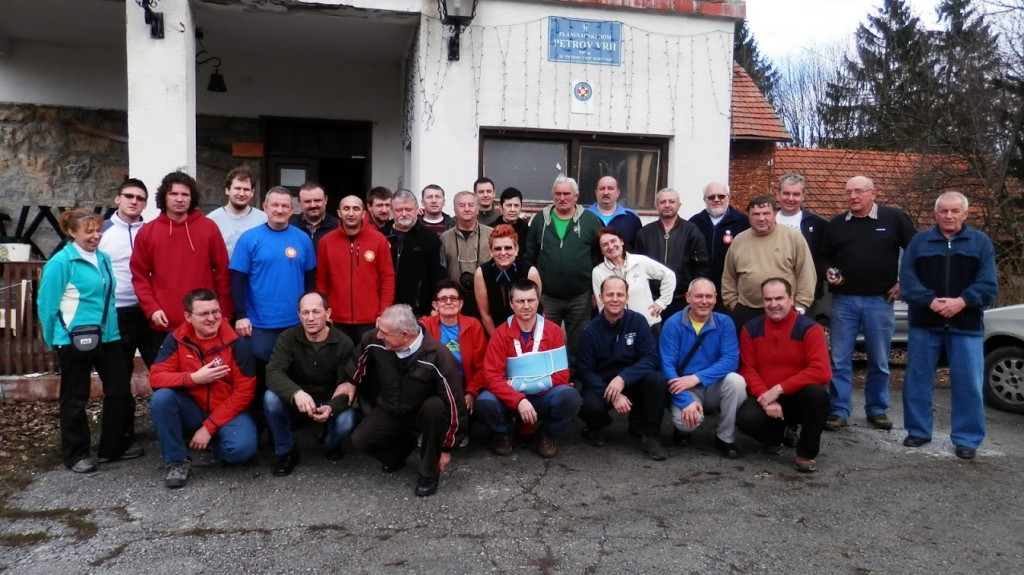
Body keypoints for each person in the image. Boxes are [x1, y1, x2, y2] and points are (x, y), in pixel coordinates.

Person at [39, 209, 139, 474]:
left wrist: (113, 330)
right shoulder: (61, 263)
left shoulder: (103, 258)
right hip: (73, 338)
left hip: (108, 336)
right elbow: (46, 305)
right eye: (89, 231)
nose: (96, 236)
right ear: (72, 232)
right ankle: (76, 454)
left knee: (119, 391)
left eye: (98, 230)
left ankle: (112, 448)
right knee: (75, 397)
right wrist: (54, 339)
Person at [899, 192, 997, 460]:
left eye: (955, 211)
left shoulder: (980, 242)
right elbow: (907, 281)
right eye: (943, 211)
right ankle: (918, 431)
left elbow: (988, 285)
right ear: (935, 214)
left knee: (968, 384)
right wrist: (929, 301)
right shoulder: (920, 242)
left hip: (966, 325)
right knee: (917, 381)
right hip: (925, 323)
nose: (949, 216)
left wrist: (962, 301)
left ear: (966, 214)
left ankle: (967, 439)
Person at [336, 304, 468, 497]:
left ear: (405, 335)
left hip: (425, 412)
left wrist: (447, 447)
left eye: (384, 333)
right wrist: (351, 382)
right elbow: (359, 361)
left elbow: (455, 403)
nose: (379, 335)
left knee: (435, 407)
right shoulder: (373, 340)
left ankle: (429, 472)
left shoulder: (438, 356)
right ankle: (399, 451)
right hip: (391, 406)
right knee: (360, 440)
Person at [824, 175, 916, 432]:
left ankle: (877, 409)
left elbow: (916, 250)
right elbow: (822, 258)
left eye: (859, 191)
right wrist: (827, 270)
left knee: (879, 360)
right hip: (844, 301)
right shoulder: (836, 225)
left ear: (873, 194)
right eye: (848, 192)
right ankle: (839, 410)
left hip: (880, 300)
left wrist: (904, 282)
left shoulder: (894, 219)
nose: (853, 196)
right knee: (840, 360)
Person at [149, 289, 258, 489]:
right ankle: (177, 460)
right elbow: (155, 378)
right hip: (192, 408)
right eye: (204, 314)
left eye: (215, 312)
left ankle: (214, 443)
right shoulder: (176, 338)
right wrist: (193, 378)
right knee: (161, 399)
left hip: (226, 410)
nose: (212, 318)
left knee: (242, 451)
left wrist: (209, 428)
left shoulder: (236, 342)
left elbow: (245, 391)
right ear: (188, 317)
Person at [230, 186, 317, 433]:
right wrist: (240, 315)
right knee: (259, 377)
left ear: (292, 209)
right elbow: (237, 281)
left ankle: (291, 424)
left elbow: (310, 280)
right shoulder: (250, 239)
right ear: (265, 207)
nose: (279, 210)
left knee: (293, 373)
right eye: (274, 205)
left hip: (295, 323)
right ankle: (260, 427)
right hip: (259, 324)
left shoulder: (302, 239)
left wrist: (310, 313)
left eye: (285, 206)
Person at [736, 278, 831, 473]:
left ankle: (806, 454)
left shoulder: (810, 329)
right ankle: (775, 437)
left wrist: (779, 389)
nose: (773, 304)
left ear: (791, 299)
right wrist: (766, 398)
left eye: (779, 298)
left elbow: (821, 371)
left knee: (818, 396)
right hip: (765, 397)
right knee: (746, 419)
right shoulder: (751, 328)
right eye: (768, 299)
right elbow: (747, 369)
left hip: (798, 397)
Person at [478, 279, 582, 458]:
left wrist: (517, 385)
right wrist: (519, 400)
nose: (526, 306)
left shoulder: (554, 331)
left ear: (538, 301)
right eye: (520, 301)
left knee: (571, 397)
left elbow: (562, 375)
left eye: (531, 300)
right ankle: (503, 432)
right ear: (511, 304)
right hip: (511, 398)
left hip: (543, 396)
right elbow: (491, 377)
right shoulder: (500, 334)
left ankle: (547, 432)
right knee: (484, 401)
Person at [130, 171, 233, 351]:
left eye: (185, 194)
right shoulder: (147, 232)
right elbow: (140, 276)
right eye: (173, 194)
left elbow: (223, 273)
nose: (179, 199)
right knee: (166, 369)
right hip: (164, 322)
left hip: (204, 322)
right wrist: (151, 308)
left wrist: (224, 312)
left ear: (192, 198)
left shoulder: (208, 228)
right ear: (164, 196)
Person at [264, 292, 359, 475]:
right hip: (299, 399)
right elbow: (273, 371)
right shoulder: (288, 337)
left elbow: (347, 385)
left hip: (329, 399)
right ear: (299, 315)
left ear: (328, 313)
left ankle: (331, 444)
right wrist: (296, 393)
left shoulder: (344, 343)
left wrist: (331, 407)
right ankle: (286, 452)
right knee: (270, 398)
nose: (310, 318)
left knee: (347, 421)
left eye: (316, 312)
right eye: (305, 312)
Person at [577, 276, 668, 460]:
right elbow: (585, 371)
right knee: (587, 404)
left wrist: (623, 378)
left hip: (633, 382)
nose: (615, 299)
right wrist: (613, 394)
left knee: (657, 380)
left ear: (627, 297)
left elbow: (650, 358)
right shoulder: (589, 331)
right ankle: (598, 426)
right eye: (609, 294)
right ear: (601, 298)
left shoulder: (638, 322)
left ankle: (649, 435)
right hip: (603, 386)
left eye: (620, 294)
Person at [658, 277, 745, 459]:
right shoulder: (673, 324)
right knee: (686, 423)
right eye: (698, 296)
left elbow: (730, 360)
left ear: (715, 298)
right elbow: (667, 366)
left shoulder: (725, 322)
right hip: (685, 388)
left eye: (708, 296)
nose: (704, 301)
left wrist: (697, 377)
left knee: (736, 382)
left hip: (713, 385)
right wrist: (685, 401)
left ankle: (725, 437)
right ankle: (682, 429)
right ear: (688, 297)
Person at [524, 176, 602, 370]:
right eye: (558, 194)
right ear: (553, 195)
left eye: (567, 194)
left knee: (578, 342)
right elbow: (529, 255)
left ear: (576, 196)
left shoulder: (590, 220)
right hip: (547, 295)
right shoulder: (540, 220)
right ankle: (546, 376)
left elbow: (599, 258)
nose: (562, 198)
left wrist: (596, 291)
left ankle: (576, 379)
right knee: (543, 339)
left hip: (580, 296)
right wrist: (533, 289)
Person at [99, 179, 157, 441]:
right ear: (117, 199)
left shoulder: (152, 230)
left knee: (163, 369)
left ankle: (172, 426)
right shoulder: (102, 231)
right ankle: (121, 435)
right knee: (119, 378)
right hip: (117, 312)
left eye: (140, 198)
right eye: (129, 196)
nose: (134, 201)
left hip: (149, 311)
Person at [721, 195, 816, 331]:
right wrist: (733, 304)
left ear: (775, 214)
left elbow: (806, 274)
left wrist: (800, 306)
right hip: (747, 311)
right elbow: (728, 277)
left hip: (784, 311)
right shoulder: (739, 241)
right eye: (756, 214)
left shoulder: (793, 238)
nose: (761, 218)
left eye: (766, 213)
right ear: (748, 216)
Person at [316, 195, 395, 343]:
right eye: (346, 209)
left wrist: (384, 312)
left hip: (371, 319)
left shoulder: (379, 240)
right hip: (336, 318)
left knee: (369, 356)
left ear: (364, 213)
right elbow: (322, 281)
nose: (351, 213)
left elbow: (387, 279)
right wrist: (324, 311)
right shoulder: (326, 242)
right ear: (339, 213)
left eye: (356, 209)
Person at [634, 187, 709, 320]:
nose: (667, 205)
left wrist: (693, 294)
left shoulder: (692, 231)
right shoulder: (644, 233)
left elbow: (701, 266)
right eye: (663, 202)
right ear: (656, 205)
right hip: (651, 300)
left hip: (681, 300)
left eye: (671, 201)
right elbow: (636, 266)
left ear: (679, 205)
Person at [420, 280, 487, 416]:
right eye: (443, 299)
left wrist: (471, 393)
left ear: (461, 304)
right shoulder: (426, 325)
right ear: (435, 305)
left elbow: (482, 366)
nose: (449, 302)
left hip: (466, 386)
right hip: (436, 388)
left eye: (453, 298)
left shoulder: (474, 325)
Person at [592, 227, 676, 329]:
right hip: (618, 327)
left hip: (648, 324)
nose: (610, 246)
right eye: (605, 245)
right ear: (601, 251)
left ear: (621, 241)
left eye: (613, 241)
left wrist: (662, 303)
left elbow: (669, 275)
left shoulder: (640, 261)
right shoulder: (598, 271)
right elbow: (601, 304)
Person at [774, 174, 830, 315]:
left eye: (796, 194)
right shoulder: (766, 221)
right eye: (786, 193)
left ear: (803, 196)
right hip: (770, 297)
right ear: (778, 194)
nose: (790, 198)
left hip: (805, 299)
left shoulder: (819, 225)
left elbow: (823, 259)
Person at [474, 224, 543, 337]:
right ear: (491, 251)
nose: (503, 253)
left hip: (528, 332)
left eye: (508, 248)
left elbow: (534, 309)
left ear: (516, 249)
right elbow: (485, 314)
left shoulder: (530, 272)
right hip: (494, 332)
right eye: (497, 249)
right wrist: (498, 340)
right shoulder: (481, 273)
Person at [387, 189, 446, 317]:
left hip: (419, 310)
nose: (404, 214)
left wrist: (435, 305)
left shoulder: (430, 238)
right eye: (399, 210)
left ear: (417, 209)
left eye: (408, 209)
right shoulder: (382, 235)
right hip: (386, 309)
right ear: (392, 210)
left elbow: (439, 275)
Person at [689, 181, 749, 304]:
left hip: (733, 289)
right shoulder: (694, 223)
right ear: (704, 200)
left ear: (728, 197)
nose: (716, 200)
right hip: (702, 290)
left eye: (721, 196)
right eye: (711, 197)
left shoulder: (743, 222)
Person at [440, 190, 493, 319]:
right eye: (462, 205)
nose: (467, 209)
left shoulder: (491, 234)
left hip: (487, 297)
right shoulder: (444, 238)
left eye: (471, 205)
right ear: (455, 210)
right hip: (454, 300)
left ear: (477, 209)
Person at [206, 166, 267, 258]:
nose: (242, 193)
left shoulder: (263, 219)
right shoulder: (211, 220)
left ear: (252, 192)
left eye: (246, 189)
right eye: (237, 188)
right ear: (227, 190)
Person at [586, 176, 642, 249]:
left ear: (618, 193)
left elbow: (639, 248)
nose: (606, 192)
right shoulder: (584, 216)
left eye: (610, 188)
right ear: (596, 193)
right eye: (602, 189)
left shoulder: (632, 218)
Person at [289, 182, 339, 250]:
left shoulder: (339, 227)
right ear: (299, 202)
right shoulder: (289, 227)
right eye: (307, 201)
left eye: (317, 200)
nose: (313, 205)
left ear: (325, 200)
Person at [497, 187, 530, 253]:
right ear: (500, 207)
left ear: (521, 207)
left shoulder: (528, 232)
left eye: (516, 205)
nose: (513, 210)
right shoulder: (491, 229)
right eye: (509, 205)